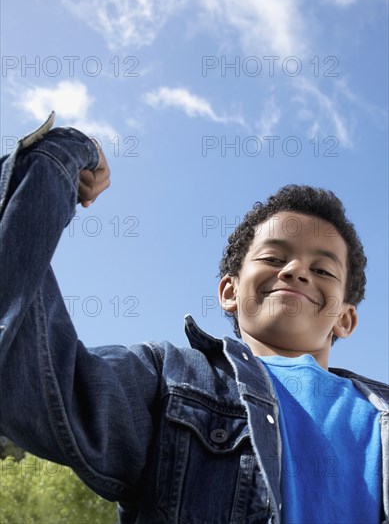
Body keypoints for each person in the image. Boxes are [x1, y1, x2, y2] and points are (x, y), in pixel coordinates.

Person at [0, 113, 388, 524]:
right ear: (229, 292)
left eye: (323, 270)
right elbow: (24, 368)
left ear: (345, 318)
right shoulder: (167, 378)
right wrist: (53, 162)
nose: (295, 271)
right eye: (273, 258)